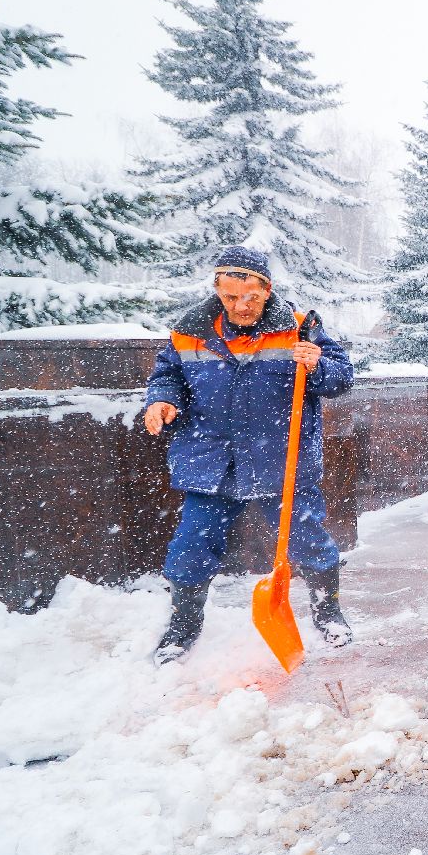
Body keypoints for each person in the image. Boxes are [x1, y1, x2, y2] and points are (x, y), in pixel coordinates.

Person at [142, 246, 355, 664]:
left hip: (280, 459)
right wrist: (162, 401)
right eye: (231, 296)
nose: (241, 306)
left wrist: (318, 366)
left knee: (307, 540)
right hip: (211, 461)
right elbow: (168, 376)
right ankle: (183, 626)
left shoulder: (300, 328)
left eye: (252, 297)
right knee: (191, 546)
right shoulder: (189, 331)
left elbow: (341, 378)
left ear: (267, 291)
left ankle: (328, 610)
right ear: (217, 291)